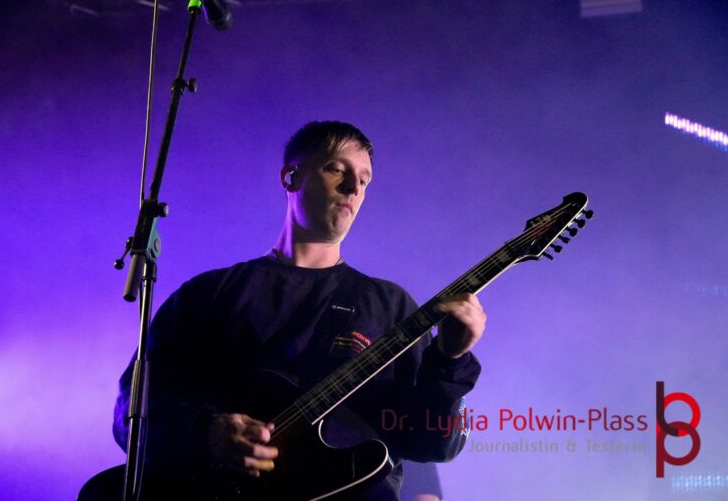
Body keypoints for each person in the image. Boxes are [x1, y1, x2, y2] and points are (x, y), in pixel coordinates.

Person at [113, 121, 486, 500]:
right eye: (337, 169)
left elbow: (434, 444)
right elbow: (131, 413)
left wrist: (450, 361)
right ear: (290, 177)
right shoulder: (211, 294)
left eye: (364, 180)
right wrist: (205, 432)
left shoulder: (390, 305)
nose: (353, 188)